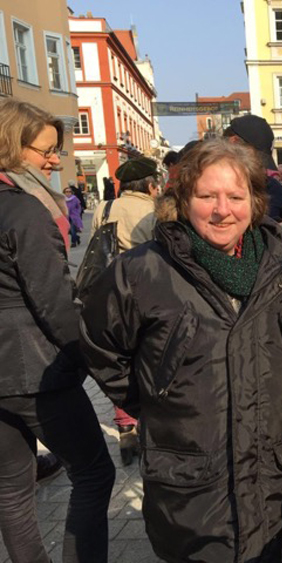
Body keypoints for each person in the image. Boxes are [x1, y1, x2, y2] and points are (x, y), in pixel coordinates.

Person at [80, 138, 282, 563]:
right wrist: (152, 398)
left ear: (254, 199)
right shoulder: (142, 270)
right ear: (182, 198)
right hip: (193, 485)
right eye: (206, 196)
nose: (222, 210)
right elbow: (98, 341)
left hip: (269, 470)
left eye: (235, 196)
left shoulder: (276, 257)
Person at [0, 98, 115, 562]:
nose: (53, 160)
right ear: (11, 145)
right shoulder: (25, 212)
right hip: (35, 373)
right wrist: (97, 361)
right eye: (45, 150)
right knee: (93, 473)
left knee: (13, 490)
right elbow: (55, 303)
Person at [90, 156, 159, 464]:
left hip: (110, 293)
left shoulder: (104, 208)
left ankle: (125, 427)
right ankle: (147, 422)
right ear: (149, 184)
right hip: (147, 291)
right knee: (146, 357)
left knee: (120, 355)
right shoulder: (153, 211)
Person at [223, 115, 282, 246]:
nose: (259, 165)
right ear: (233, 142)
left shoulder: (271, 187)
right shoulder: (201, 185)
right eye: (255, 157)